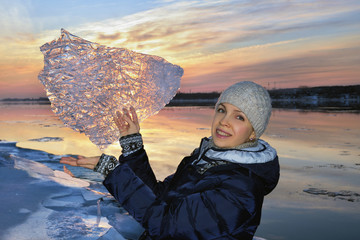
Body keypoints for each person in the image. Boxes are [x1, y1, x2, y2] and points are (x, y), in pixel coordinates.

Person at [60, 81, 280, 240]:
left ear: (253, 132)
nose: (224, 121)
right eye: (222, 110)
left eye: (239, 116)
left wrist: (113, 171)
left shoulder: (242, 189)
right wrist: (132, 145)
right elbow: (159, 198)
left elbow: (165, 223)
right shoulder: (203, 162)